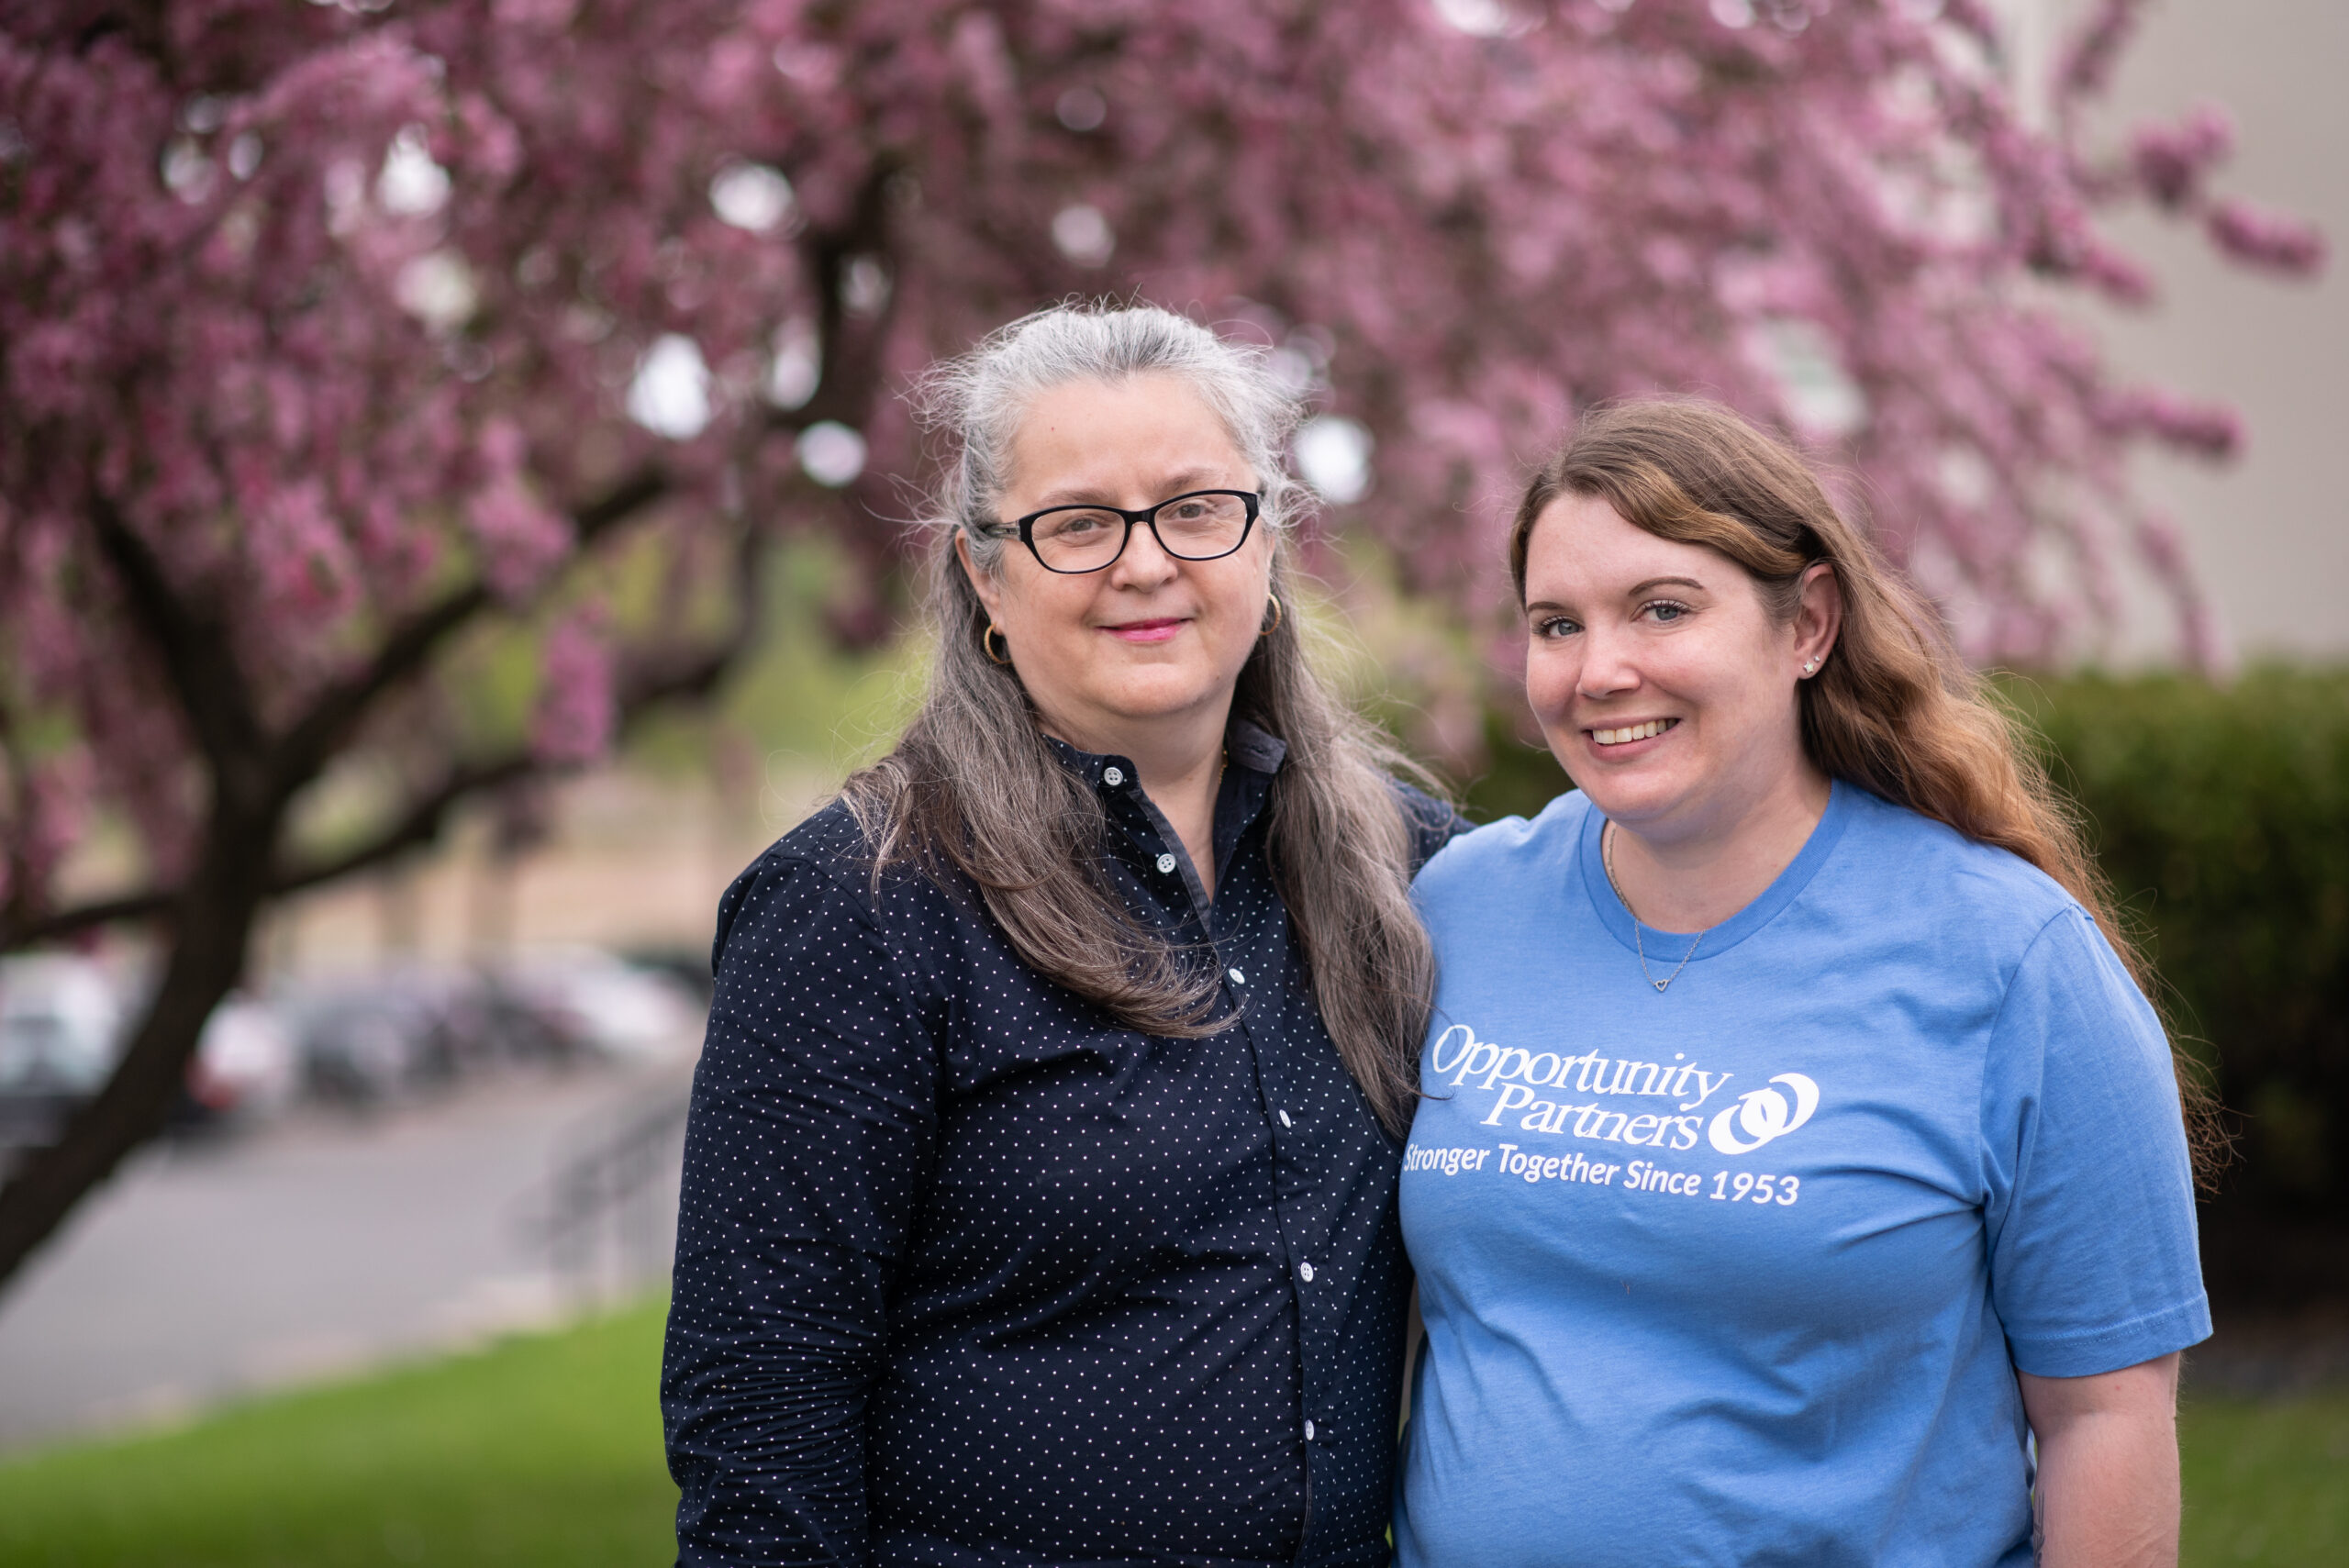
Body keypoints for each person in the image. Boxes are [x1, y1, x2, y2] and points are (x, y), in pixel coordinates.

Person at [662, 303, 1463, 1567]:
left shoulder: (1409, 868)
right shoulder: (859, 904)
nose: (1145, 564)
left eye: (1197, 507)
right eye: (1077, 524)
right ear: (987, 571)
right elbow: (760, 1409)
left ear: (1269, 538)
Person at [1395, 397, 2212, 1568]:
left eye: (1661, 608)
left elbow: (2106, 1415)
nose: (1600, 670)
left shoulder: (2007, 956)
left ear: (1807, 625)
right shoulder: (1461, 909)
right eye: (1555, 623)